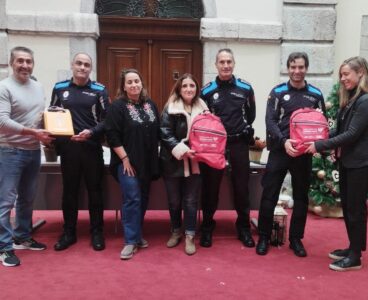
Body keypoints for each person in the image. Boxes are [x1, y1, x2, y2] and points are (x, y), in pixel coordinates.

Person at [305, 56, 368, 271]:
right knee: (349, 206)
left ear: (360, 74)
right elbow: (340, 130)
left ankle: (355, 257)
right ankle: (354, 247)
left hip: (361, 162)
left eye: (346, 74)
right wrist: (315, 137)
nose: (343, 79)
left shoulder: (367, 101)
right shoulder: (352, 99)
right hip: (349, 161)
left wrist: (319, 145)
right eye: (341, 75)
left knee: (355, 208)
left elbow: (352, 134)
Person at [256, 52, 325, 257]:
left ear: (306, 68)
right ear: (288, 68)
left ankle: (296, 239)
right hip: (279, 151)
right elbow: (270, 121)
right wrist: (284, 141)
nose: (297, 71)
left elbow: (322, 123)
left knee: (301, 197)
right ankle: (264, 237)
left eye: (301, 67)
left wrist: (316, 144)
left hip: (303, 154)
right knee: (269, 194)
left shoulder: (315, 94)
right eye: (293, 67)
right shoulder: (277, 93)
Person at [0, 46, 53, 267]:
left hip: (33, 151)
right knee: (5, 201)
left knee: (27, 198)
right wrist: (33, 133)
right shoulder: (4, 87)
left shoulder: (38, 86)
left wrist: (48, 132)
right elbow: (2, 122)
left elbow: (39, 117)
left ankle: (22, 236)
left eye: (29, 61)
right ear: (12, 63)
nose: (25, 65)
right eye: (20, 61)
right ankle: (4, 247)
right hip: (9, 151)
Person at [51, 53, 109, 251]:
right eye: (79, 63)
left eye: (86, 65)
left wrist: (91, 132)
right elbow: (52, 114)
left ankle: (97, 232)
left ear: (90, 68)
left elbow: (107, 120)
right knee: (69, 192)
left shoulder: (99, 90)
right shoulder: (59, 88)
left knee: (95, 191)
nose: (82, 67)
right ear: (72, 65)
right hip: (68, 150)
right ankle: (69, 232)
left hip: (91, 148)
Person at [199, 48, 256, 248]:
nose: (225, 65)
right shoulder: (206, 91)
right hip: (215, 147)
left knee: (241, 188)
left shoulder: (245, 88)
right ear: (215, 65)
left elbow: (251, 115)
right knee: (211, 188)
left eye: (229, 62)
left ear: (233, 64)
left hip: (239, 143)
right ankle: (207, 228)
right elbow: (202, 119)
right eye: (222, 62)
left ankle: (243, 228)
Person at [105, 69, 160, 260]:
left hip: (147, 162)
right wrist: (125, 159)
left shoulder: (150, 104)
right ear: (123, 86)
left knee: (143, 198)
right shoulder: (117, 107)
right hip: (126, 162)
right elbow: (111, 135)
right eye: (129, 82)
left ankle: (136, 235)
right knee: (132, 198)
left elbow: (158, 131)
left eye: (137, 81)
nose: (134, 85)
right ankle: (130, 241)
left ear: (141, 83)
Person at [160, 74, 208, 255]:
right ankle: (175, 231)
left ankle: (189, 235)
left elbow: (208, 131)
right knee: (174, 202)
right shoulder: (170, 107)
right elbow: (164, 132)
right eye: (185, 86)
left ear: (196, 88)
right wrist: (181, 149)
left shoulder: (204, 107)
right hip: (173, 161)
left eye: (192, 86)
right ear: (179, 89)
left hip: (195, 161)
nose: (189, 89)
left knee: (190, 201)